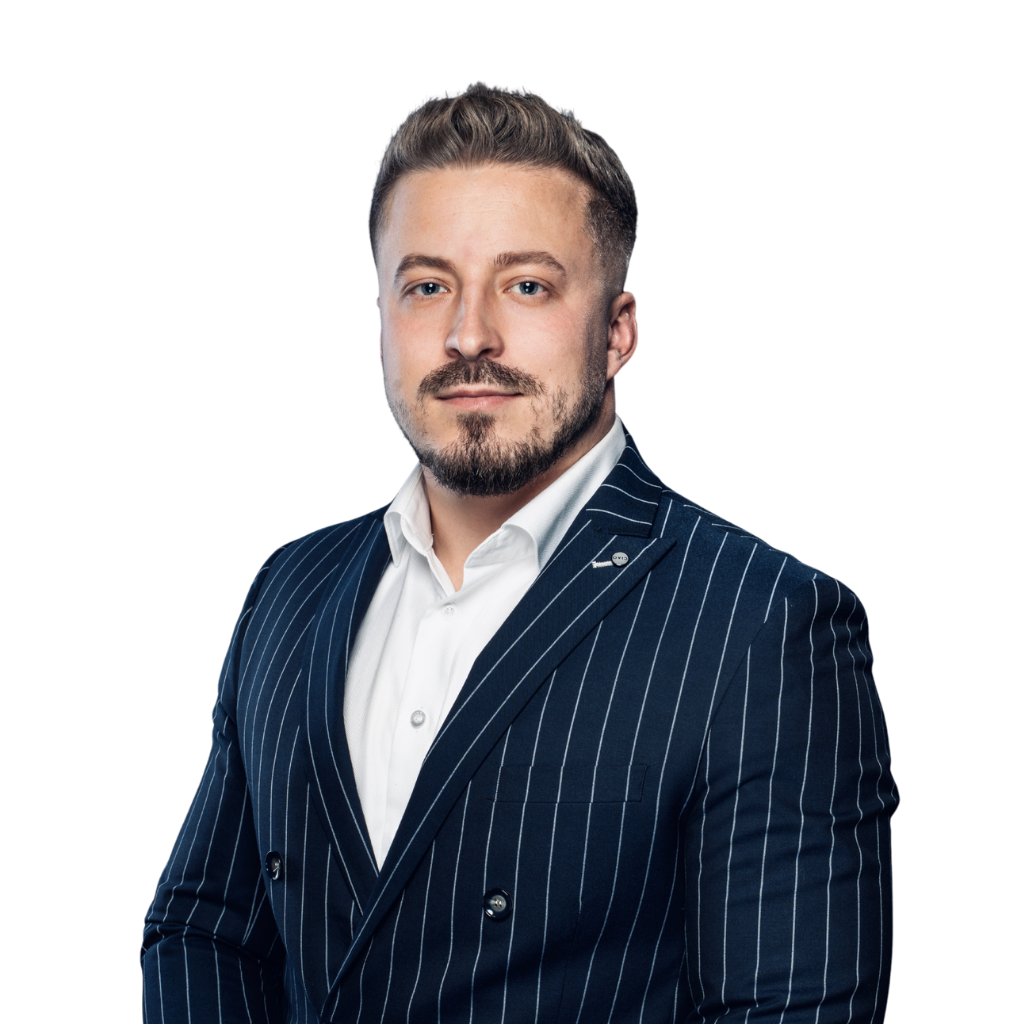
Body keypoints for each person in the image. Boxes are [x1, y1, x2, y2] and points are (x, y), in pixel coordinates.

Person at [141, 82, 897, 1023]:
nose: (469, 336)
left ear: (617, 331)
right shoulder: (289, 588)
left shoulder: (762, 622)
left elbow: (789, 1011)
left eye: (527, 285)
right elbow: (204, 928)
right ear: (380, 325)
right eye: (428, 287)